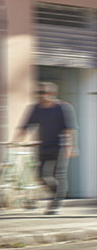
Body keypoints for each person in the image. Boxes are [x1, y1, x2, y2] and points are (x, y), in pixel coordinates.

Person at [13, 81, 78, 214]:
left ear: (52, 93)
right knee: (41, 177)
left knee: (58, 174)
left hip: (59, 146)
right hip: (43, 146)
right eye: (38, 93)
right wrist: (15, 141)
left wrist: (72, 146)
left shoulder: (63, 108)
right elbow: (25, 126)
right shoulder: (36, 108)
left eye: (43, 93)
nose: (40, 96)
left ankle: (55, 204)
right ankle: (57, 193)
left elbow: (70, 129)